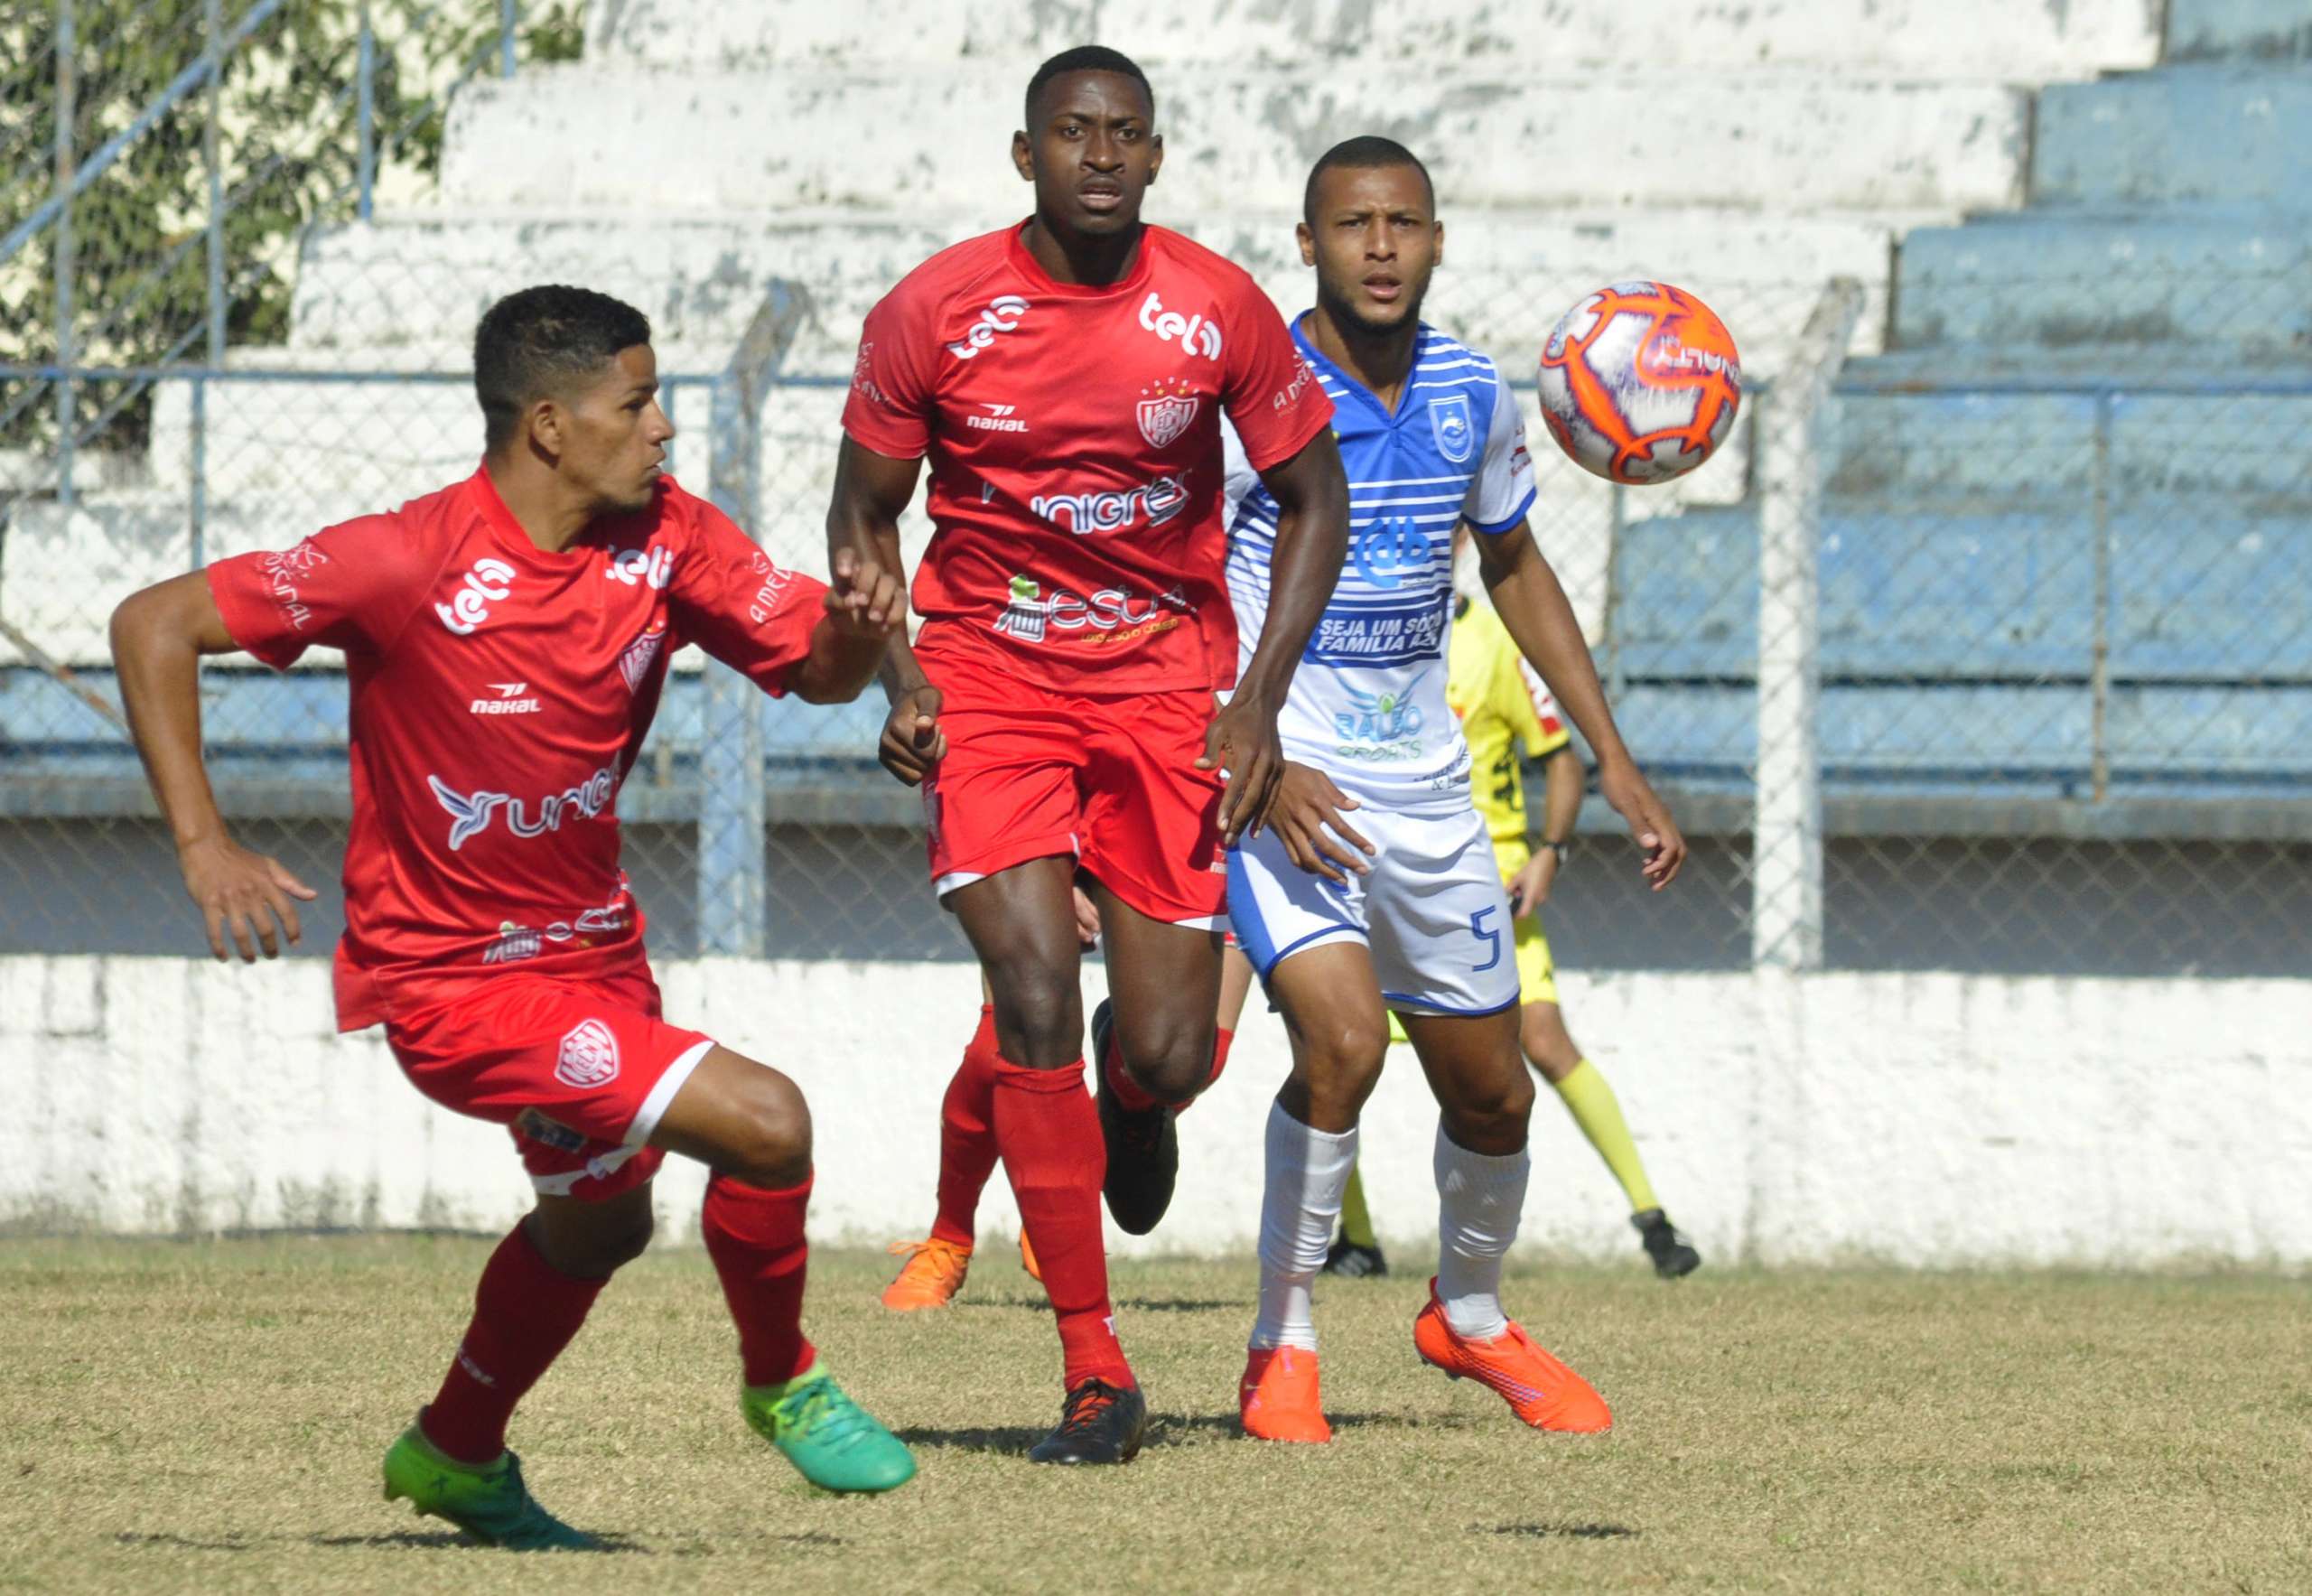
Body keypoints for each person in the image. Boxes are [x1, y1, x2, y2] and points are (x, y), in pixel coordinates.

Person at [107, 285, 918, 1548]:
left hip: (596, 958)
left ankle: (455, 1450)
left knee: (601, 1221)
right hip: (450, 983)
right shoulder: (405, 556)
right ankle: (784, 1380)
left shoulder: (672, 537)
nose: (662, 429)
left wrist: (863, 642)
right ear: (549, 424)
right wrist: (205, 844)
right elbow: (154, 621)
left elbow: (811, 671)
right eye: (635, 403)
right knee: (769, 1122)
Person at [827, 45, 1347, 1465]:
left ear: (1158, 157)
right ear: (1026, 154)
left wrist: (1257, 700)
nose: (1100, 154)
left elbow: (1314, 496)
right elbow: (862, 520)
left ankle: (1137, 1086)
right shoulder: (934, 312)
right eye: (1073, 132)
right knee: (1031, 982)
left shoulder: (1215, 307)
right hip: (991, 676)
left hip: (1167, 682)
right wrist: (908, 673)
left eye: (1126, 133)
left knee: (1175, 1047)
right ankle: (1096, 1373)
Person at [1218, 137, 1687, 1446]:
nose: (1380, 245)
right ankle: (1283, 1337)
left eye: (1404, 223)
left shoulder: (1476, 391)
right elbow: (1186, 587)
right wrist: (1254, 745)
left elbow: (1519, 566)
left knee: (1495, 1092)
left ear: (1436, 241)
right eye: (1352, 223)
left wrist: (1616, 758)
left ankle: (1468, 1314)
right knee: (1345, 1043)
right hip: (1290, 783)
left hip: (1427, 795)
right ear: (1305, 244)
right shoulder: (1251, 394)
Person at [1321, 540, 1703, 1282]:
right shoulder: (1345, 634)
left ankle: (1654, 1220)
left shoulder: (1493, 638)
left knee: (1547, 1043)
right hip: (1373, 880)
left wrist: (1548, 850)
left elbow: (1559, 755)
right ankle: (1356, 1239)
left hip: (1483, 889)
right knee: (1341, 1050)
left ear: (1460, 534)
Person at [881, 889, 1253, 1308]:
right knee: (999, 1043)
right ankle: (949, 1241)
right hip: (1059, 832)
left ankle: (1060, 1195)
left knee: (1194, 1061)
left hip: (1190, 841)